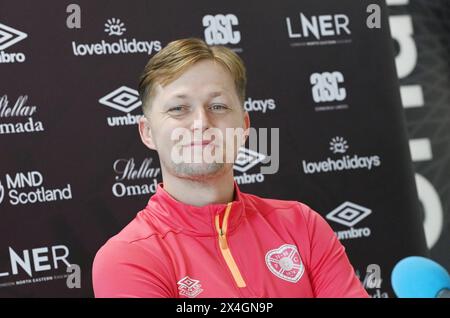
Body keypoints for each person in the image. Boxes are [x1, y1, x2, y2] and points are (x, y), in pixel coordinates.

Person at [92, 38, 369, 298]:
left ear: (244, 126)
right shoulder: (127, 257)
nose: (201, 123)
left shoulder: (302, 225)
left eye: (218, 106)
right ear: (147, 132)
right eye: (178, 109)